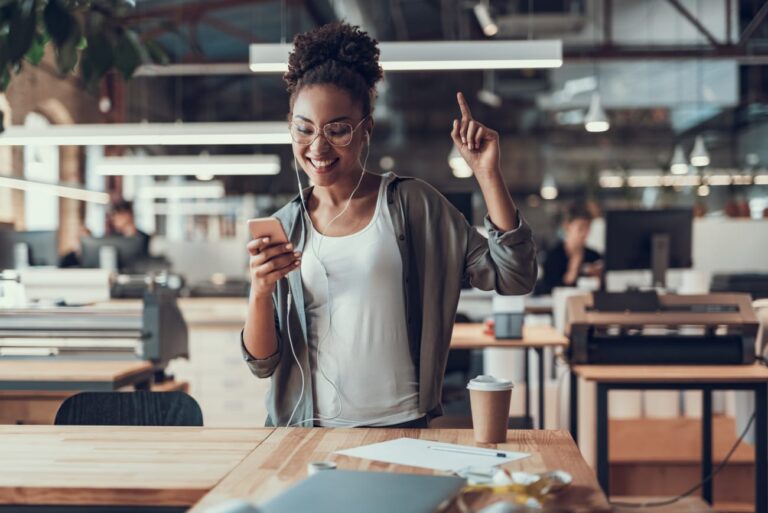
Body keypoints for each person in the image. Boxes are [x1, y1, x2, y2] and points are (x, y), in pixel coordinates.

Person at [241, 22, 537, 428]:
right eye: (303, 129)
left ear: (367, 131)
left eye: (338, 129)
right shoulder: (283, 226)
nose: (318, 146)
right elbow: (261, 364)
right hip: (306, 435)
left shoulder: (414, 207)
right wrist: (259, 291)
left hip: (402, 427)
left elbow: (514, 276)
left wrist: (487, 175)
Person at [537, 203, 602, 295]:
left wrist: (600, 277)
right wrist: (575, 265)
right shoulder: (553, 256)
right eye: (580, 228)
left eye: (588, 228)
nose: (585, 233)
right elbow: (549, 290)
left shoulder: (594, 256)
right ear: (567, 226)